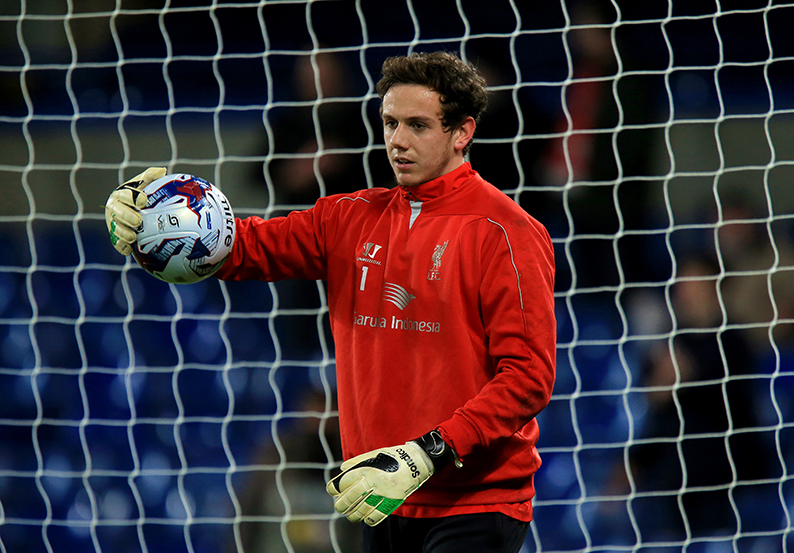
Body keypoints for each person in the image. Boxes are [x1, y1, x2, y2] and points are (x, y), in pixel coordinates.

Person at [105, 51, 557, 553]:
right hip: (380, 495)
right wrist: (155, 221)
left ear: (462, 132)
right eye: (390, 123)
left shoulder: (507, 232)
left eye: (418, 125)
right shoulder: (349, 218)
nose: (398, 140)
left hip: (474, 502)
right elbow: (242, 247)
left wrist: (429, 453)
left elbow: (528, 377)